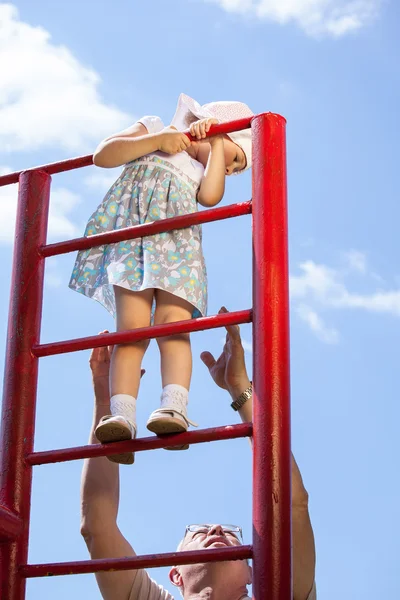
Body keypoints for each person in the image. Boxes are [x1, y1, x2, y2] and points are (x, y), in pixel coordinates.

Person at [69, 93, 254, 465]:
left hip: (177, 251)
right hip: (132, 247)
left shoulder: (205, 168)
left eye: (235, 167)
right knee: (131, 330)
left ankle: (173, 409)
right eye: (237, 159)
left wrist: (218, 146)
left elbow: (212, 196)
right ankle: (121, 414)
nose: (232, 170)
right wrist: (157, 141)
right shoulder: (155, 128)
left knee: (174, 327)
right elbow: (103, 155)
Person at [80, 309, 317, 599]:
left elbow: (293, 506)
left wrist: (240, 388)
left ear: (253, 572)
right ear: (175, 572)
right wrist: (107, 406)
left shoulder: (275, 591)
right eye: (196, 533)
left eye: (233, 535)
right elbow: (96, 526)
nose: (216, 528)